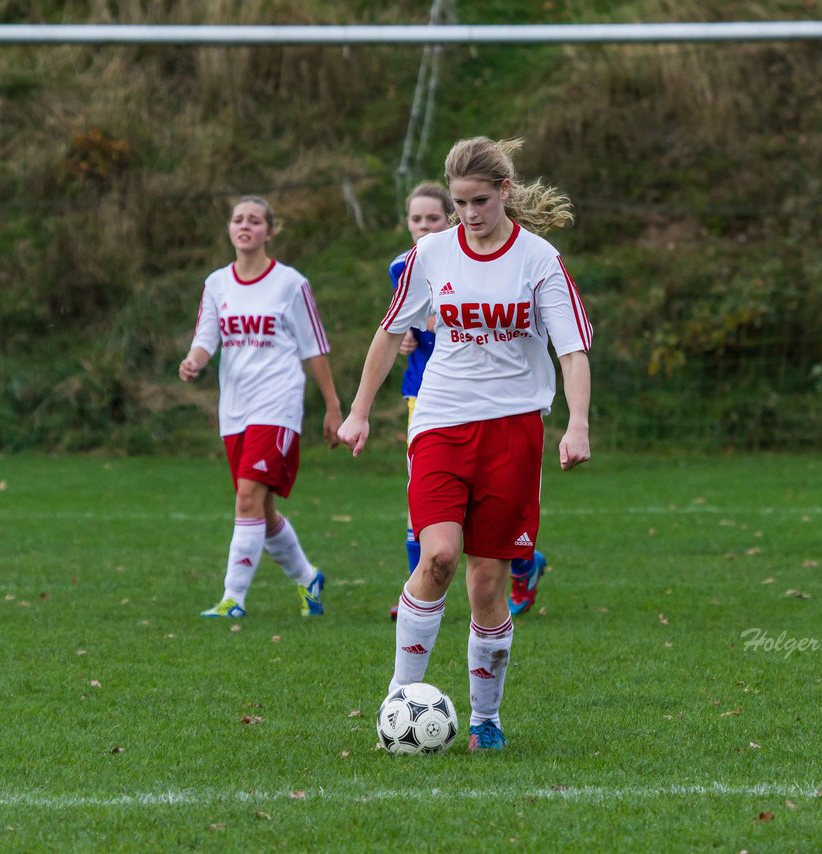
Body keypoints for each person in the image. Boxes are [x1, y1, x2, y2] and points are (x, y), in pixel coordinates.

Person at [338, 137, 592, 751]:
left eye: (479, 201)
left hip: (513, 429)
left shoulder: (539, 260)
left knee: (486, 582)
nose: (469, 215)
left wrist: (577, 422)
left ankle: (485, 720)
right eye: (458, 203)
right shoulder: (432, 253)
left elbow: (572, 348)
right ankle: (400, 704)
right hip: (442, 422)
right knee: (439, 556)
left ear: (504, 192)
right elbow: (389, 330)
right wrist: (359, 411)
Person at [387, 182, 548, 621]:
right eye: (416, 219)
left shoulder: (500, 259)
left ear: (449, 219)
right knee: (422, 511)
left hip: (499, 406)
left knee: (488, 529)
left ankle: (525, 566)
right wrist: (405, 338)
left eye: (433, 218)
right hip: (427, 399)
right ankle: (419, 590)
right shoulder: (405, 266)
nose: (424, 226)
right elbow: (399, 323)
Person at [179, 195, 342, 618]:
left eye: (255, 220)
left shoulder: (290, 283)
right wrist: (194, 361)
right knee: (260, 508)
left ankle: (233, 599)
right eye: (238, 219)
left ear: (270, 231)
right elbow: (206, 338)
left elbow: (315, 349)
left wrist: (332, 407)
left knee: (248, 496)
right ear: (230, 230)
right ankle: (308, 578)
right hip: (235, 407)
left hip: (278, 401)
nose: (245, 225)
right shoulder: (217, 283)